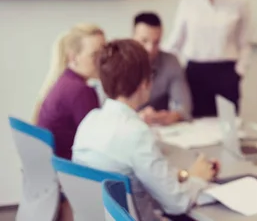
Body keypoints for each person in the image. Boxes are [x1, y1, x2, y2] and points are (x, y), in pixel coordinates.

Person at [72, 39, 218, 221]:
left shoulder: (90, 121)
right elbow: (177, 203)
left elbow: (146, 179)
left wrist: (185, 175)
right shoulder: (136, 133)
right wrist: (199, 180)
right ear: (144, 82)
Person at [166, 0, 251, 117]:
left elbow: (245, 42)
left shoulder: (239, 3)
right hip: (196, 72)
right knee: (197, 122)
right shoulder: (188, 3)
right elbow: (176, 40)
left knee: (228, 123)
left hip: (226, 71)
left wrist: (239, 72)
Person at [35, 24, 105, 159]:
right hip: (71, 172)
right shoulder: (80, 91)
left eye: (104, 53)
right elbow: (99, 144)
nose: (102, 61)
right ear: (73, 57)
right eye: (95, 55)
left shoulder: (64, 82)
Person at [133, 12, 192, 125]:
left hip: (159, 128)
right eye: (144, 41)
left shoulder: (171, 62)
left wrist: (164, 117)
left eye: (156, 42)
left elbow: (183, 107)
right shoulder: (119, 63)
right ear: (133, 37)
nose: (150, 48)